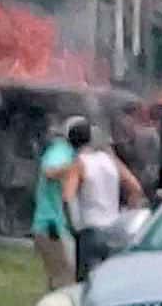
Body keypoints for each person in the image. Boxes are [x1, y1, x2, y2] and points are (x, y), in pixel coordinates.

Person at [62, 116, 145, 283]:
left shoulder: (78, 163)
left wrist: (74, 225)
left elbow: (67, 197)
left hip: (90, 229)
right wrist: (127, 213)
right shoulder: (110, 160)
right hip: (114, 228)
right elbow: (135, 188)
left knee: (87, 284)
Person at [30, 115, 79, 290]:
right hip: (52, 226)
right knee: (64, 280)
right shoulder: (61, 151)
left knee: (61, 279)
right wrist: (74, 167)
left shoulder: (69, 153)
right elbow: (49, 171)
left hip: (57, 226)